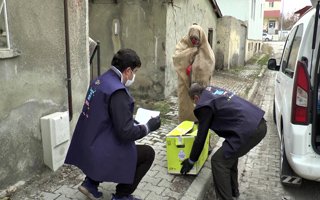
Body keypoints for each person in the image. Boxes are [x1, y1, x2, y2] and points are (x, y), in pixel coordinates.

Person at [65, 48, 161, 200]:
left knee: (107, 140)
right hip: (101, 151)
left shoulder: (100, 80)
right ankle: (122, 195)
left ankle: (90, 183)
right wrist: (148, 126)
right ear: (128, 71)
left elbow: (105, 115)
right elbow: (126, 133)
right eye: (135, 71)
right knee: (148, 153)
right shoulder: (118, 92)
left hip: (89, 145)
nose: (134, 75)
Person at [180, 83, 267, 200]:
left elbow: (201, 138)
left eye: (194, 102)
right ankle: (233, 191)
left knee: (218, 161)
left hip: (250, 130)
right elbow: (215, 111)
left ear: (196, 98)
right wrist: (202, 122)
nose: (196, 105)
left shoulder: (203, 104)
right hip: (258, 122)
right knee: (229, 155)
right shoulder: (211, 91)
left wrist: (191, 161)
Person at [172, 24, 215, 123]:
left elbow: (208, 65)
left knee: (198, 104)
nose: (194, 41)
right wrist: (192, 51)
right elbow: (177, 57)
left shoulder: (206, 49)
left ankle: (200, 122)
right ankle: (184, 122)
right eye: (192, 39)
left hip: (199, 85)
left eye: (196, 39)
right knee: (185, 104)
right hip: (184, 81)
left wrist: (194, 67)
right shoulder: (183, 44)